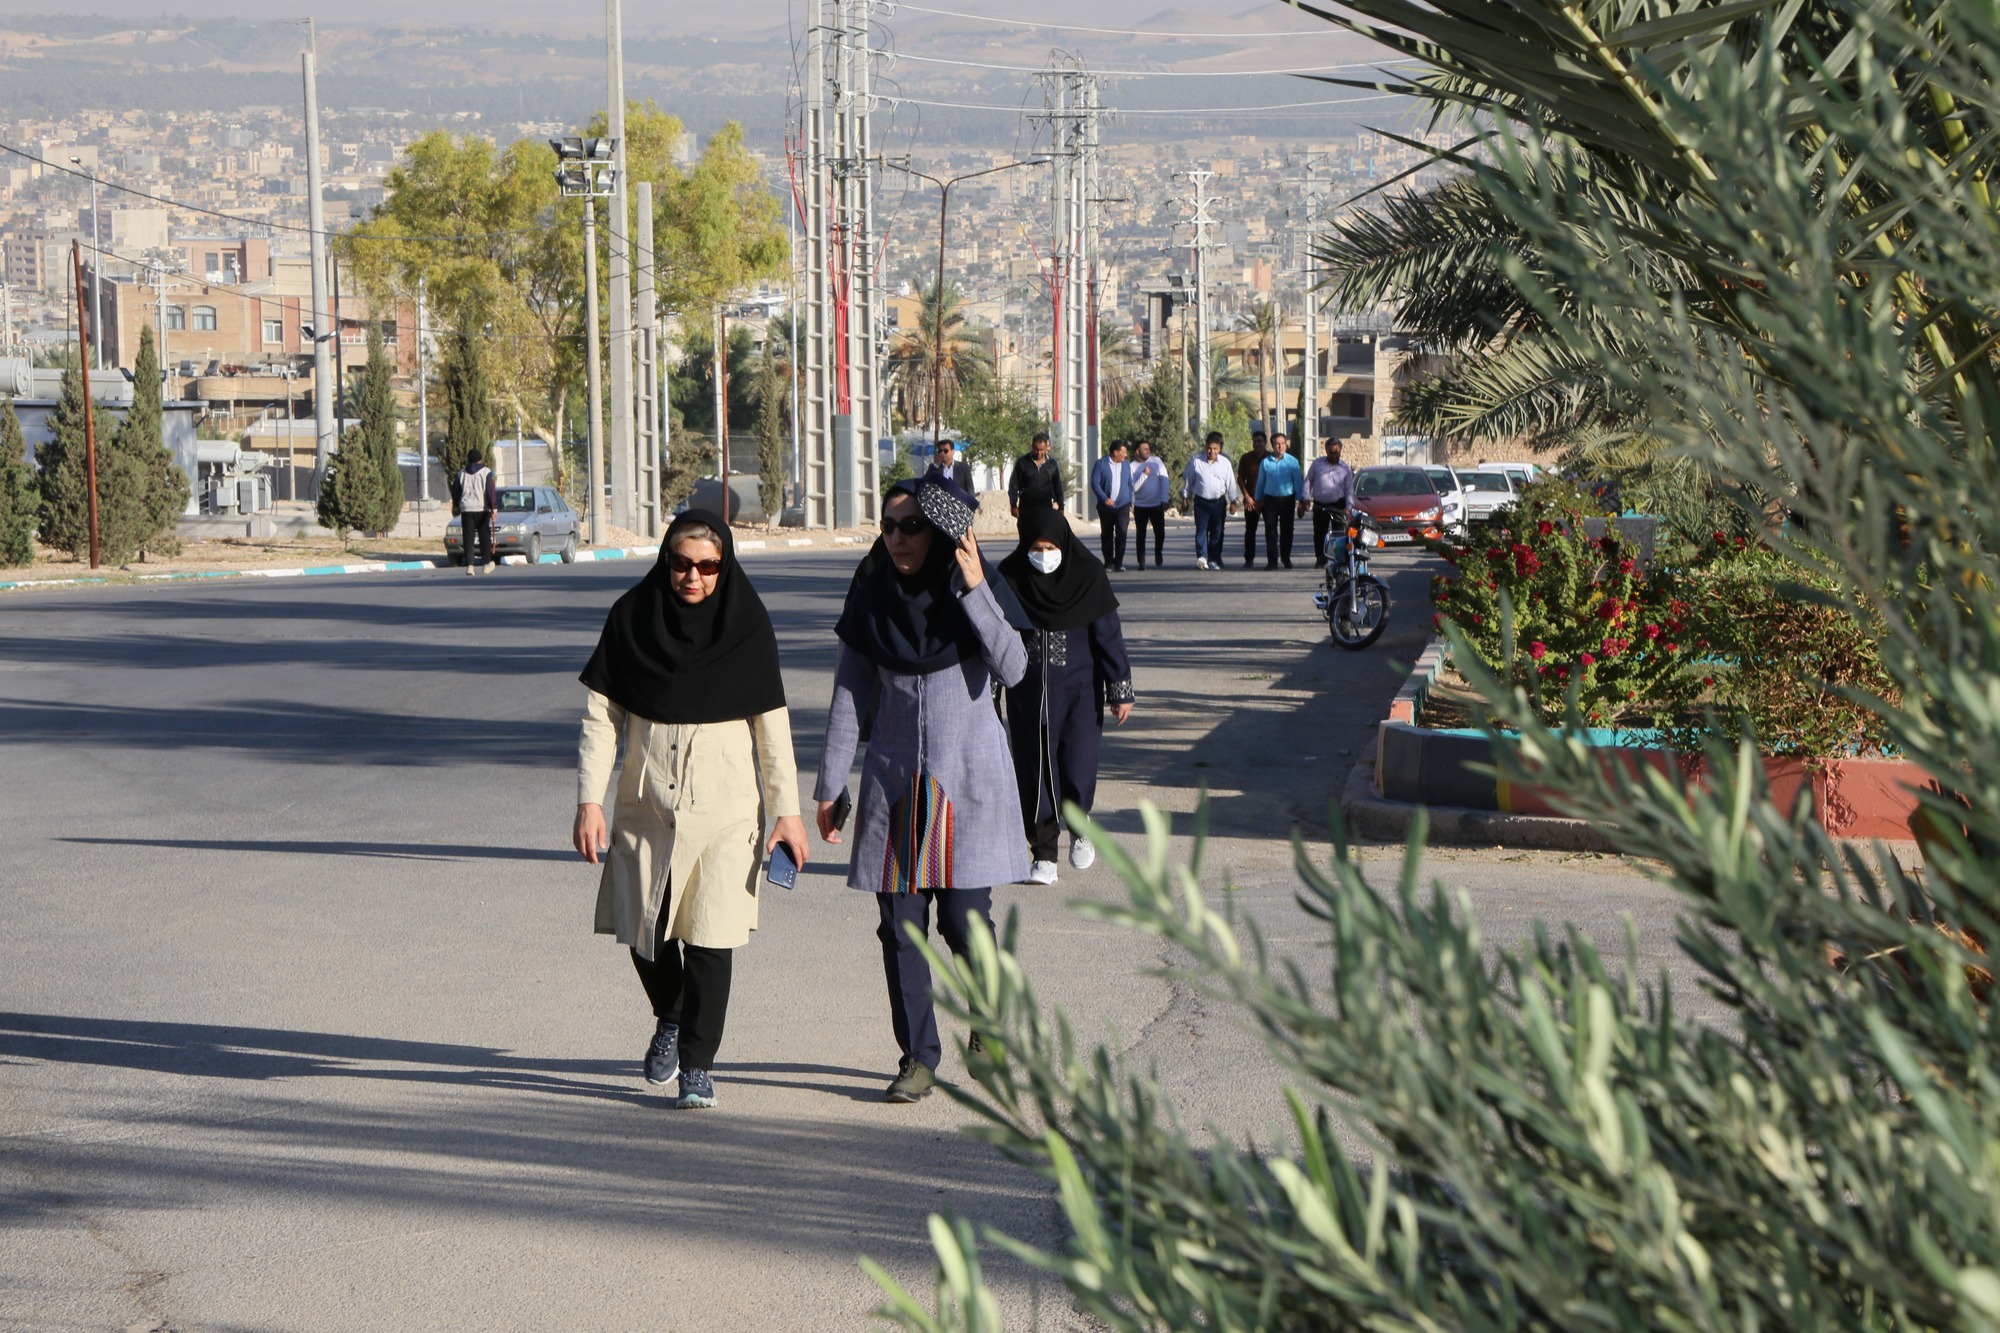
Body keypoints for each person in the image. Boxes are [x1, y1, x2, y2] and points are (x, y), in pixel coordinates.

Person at [573, 511, 808, 1110]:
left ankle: (698, 1066)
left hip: (726, 810)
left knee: (710, 935)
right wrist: (589, 801)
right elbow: (602, 720)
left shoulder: (747, 625)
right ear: (665, 561)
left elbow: (772, 729)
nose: (693, 577)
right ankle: (672, 1015)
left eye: (708, 566)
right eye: (681, 563)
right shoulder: (632, 617)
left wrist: (787, 811)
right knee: (643, 928)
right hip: (646, 804)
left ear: (724, 567)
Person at [815, 476, 1031, 1104]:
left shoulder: (974, 586)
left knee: (964, 921)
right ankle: (918, 1056)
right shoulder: (873, 594)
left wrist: (976, 589)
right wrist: (830, 784)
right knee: (902, 929)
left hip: (967, 784)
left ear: (937, 533)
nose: (899, 538)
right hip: (897, 785)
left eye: (912, 526)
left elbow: (1014, 667)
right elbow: (850, 693)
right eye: (889, 527)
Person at [1000, 506, 1135, 885]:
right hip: (1026, 696)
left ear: (1063, 543)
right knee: (1035, 771)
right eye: (1036, 547)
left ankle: (1079, 825)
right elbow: (994, 637)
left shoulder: (1087, 576)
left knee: (1078, 763)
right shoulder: (1009, 578)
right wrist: (990, 688)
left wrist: (1120, 688)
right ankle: (1044, 853)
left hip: (1080, 694)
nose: (1043, 555)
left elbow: (1108, 636)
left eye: (1050, 547)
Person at [1180, 432, 1240, 571]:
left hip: (1218, 503)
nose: (1211, 451)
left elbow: (1231, 483)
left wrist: (1233, 501)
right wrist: (1185, 498)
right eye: (1209, 448)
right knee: (1201, 530)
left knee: (1217, 532)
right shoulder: (1196, 461)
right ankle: (1202, 557)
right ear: (1205, 447)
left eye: (1215, 448)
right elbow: (1188, 481)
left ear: (1220, 449)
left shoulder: (1225, 463)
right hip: (1201, 502)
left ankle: (1214, 558)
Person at [1303, 438, 1356, 570]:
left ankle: (1339, 560)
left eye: (1336, 453)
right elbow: (1308, 481)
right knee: (1319, 533)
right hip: (1320, 504)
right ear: (1326, 450)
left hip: (1338, 505)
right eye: (1331, 453)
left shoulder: (1345, 468)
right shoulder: (1317, 464)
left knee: (1339, 534)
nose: (1333, 456)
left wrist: (1348, 507)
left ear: (1340, 451)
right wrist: (1305, 498)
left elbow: (1349, 490)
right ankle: (1320, 559)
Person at [1253, 432, 1304, 569]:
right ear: (1272, 445)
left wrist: (1301, 502)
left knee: (1287, 530)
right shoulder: (1265, 463)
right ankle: (1272, 561)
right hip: (1270, 500)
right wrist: (1258, 501)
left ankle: (1286, 558)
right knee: (1270, 531)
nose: (1280, 447)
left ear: (1285, 445)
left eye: (1282, 444)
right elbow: (1261, 482)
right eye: (1277, 444)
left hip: (1287, 500)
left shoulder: (1292, 462)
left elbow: (1298, 483)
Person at [1089, 440, 1134, 572]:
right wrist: (1104, 498)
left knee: (1122, 532)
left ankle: (1119, 562)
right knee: (1107, 534)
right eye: (1123, 452)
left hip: (1123, 505)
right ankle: (1108, 562)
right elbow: (1095, 483)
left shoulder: (1126, 464)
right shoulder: (1101, 464)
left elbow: (1130, 484)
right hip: (1106, 507)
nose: (1125, 455)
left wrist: (1130, 501)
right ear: (1115, 452)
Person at [1129, 439, 1170, 570]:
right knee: (1141, 535)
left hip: (1156, 504)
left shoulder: (1156, 461)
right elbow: (1133, 488)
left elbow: (1164, 480)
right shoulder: (1132, 466)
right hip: (1140, 506)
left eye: (1149, 449)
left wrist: (1164, 499)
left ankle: (1158, 552)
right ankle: (1141, 561)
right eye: (1145, 449)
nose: (1148, 451)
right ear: (1138, 451)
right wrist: (1144, 475)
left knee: (1160, 533)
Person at [455, 449, 496, 575]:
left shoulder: (461, 473)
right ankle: (486, 563)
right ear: (480, 459)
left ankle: (470, 565)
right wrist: (494, 509)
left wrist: (456, 506)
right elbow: (490, 492)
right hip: (482, 509)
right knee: (484, 536)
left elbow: (456, 492)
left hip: (466, 509)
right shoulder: (486, 472)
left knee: (468, 537)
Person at [1008, 432, 1063, 517]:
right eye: (1036, 449)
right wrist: (1013, 506)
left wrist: (1061, 507)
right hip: (1026, 509)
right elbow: (1013, 485)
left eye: (1041, 450)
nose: (1039, 453)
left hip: (1046, 509)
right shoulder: (1023, 462)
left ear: (1046, 448)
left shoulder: (1052, 464)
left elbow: (1058, 486)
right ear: (1032, 447)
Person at [1236, 430, 1270, 568]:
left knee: (1270, 530)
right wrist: (1247, 497)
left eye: (1260, 441)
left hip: (1268, 500)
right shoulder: (1246, 458)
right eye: (1255, 441)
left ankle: (1272, 560)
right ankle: (1249, 559)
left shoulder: (1271, 458)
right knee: (1250, 531)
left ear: (1265, 443)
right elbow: (1240, 479)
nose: (1257, 444)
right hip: (1251, 500)